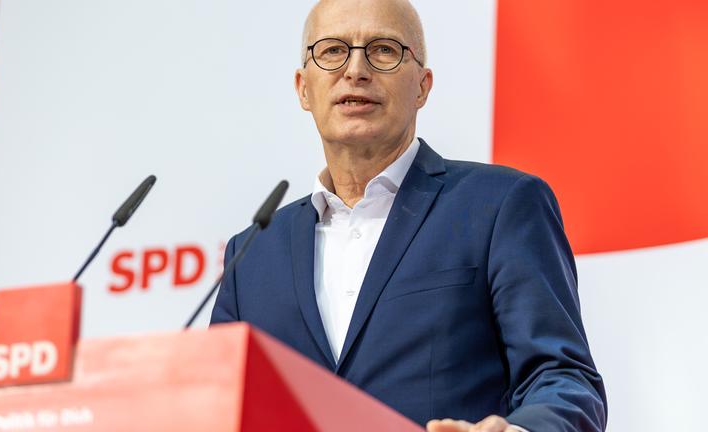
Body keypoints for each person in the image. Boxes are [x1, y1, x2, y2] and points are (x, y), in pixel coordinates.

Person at [211, 0, 607, 430]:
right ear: (303, 88)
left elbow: (564, 378)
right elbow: (217, 406)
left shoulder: (501, 205)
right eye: (331, 51)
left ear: (422, 86)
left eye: (383, 50)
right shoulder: (250, 256)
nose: (356, 70)